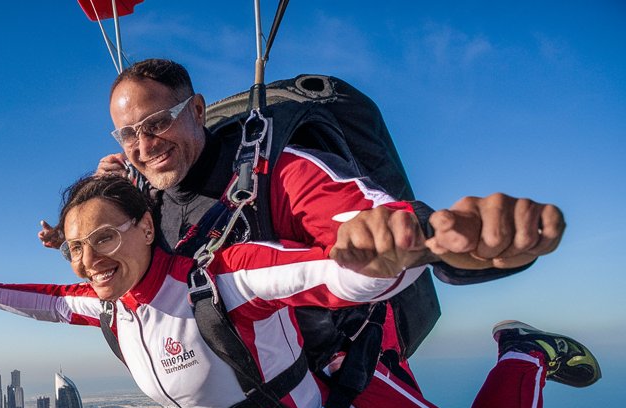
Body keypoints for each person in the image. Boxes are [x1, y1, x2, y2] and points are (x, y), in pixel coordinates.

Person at [0, 175, 599, 408]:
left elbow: (324, 273)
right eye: (75, 248)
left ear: (144, 225)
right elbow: (45, 302)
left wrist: (395, 254)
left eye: (104, 237)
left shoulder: (218, 278)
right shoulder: (111, 307)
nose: (89, 259)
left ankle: (523, 351)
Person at [38, 59, 564, 280]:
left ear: (196, 111)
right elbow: (110, 237)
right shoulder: (141, 195)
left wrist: (461, 242)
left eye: (157, 123)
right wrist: (67, 238)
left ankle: (522, 353)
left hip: (327, 399)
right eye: (129, 134)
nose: (144, 144)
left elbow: (373, 217)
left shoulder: (279, 172)